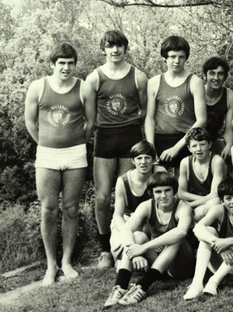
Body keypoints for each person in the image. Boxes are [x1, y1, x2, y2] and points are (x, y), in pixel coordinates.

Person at [24, 43, 95, 285]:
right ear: (52, 65)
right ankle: (51, 265)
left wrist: (75, 145)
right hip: (47, 155)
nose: (66, 67)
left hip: (75, 154)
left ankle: (66, 261)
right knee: (49, 210)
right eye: (61, 63)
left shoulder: (83, 87)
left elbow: (90, 122)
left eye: (70, 63)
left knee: (72, 209)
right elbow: (31, 123)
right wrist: (46, 143)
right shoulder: (38, 87)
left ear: (75, 64)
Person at [86, 30, 149, 268]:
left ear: (125, 48)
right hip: (104, 138)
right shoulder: (95, 78)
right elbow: (90, 118)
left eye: (119, 46)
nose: (115, 50)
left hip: (130, 136)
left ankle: (130, 242)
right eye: (110, 46)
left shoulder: (138, 77)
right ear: (103, 49)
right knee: (102, 196)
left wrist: (131, 129)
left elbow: (144, 112)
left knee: (130, 192)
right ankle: (105, 250)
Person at [103, 172, 194, 307]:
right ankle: (120, 286)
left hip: (179, 266)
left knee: (174, 238)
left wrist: (143, 248)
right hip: (157, 264)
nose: (163, 196)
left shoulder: (183, 207)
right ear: (152, 193)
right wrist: (133, 252)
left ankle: (142, 286)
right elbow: (126, 229)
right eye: (158, 192)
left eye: (167, 190)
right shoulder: (147, 205)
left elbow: (181, 232)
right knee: (137, 236)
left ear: (174, 190)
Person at [184, 178, 233, 300]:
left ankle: (213, 282)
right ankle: (197, 284)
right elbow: (197, 228)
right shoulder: (218, 210)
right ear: (222, 200)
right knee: (208, 231)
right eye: (228, 198)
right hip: (221, 261)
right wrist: (220, 246)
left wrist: (227, 242)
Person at [145, 36, 206, 174]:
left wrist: (177, 147)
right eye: (172, 56)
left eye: (181, 57)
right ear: (165, 57)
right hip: (161, 139)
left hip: (187, 140)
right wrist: (151, 147)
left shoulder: (194, 81)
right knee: (162, 187)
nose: (177, 61)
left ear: (186, 58)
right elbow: (150, 118)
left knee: (185, 186)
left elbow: (202, 120)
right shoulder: (154, 82)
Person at [109, 141, 167, 264]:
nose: (143, 162)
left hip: (150, 221)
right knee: (121, 246)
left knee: (144, 238)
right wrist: (126, 233)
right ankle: (125, 259)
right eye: (139, 158)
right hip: (127, 220)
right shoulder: (123, 180)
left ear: (154, 160)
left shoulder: (160, 174)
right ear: (133, 161)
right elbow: (117, 215)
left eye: (147, 158)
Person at [178, 127, 226, 221]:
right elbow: (181, 193)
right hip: (195, 203)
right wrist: (202, 199)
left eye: (202, 144)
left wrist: (189, 205)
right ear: (189, 148)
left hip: (212, 204)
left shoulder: (216, 161)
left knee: (210, 205)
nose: (199, 149)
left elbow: (215, 195)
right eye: (194, 146)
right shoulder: (185, 162)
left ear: (210, 144)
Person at [203, 56, 233, 158]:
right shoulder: (197, 92)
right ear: (205, 75)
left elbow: (228, 129)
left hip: (213, 140)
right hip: (194, 140)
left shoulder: (231, 96)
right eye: (212, 73)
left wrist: (229, 145)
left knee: (231, 153)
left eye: (220, 74)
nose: (216, 78)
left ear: (226, 76)